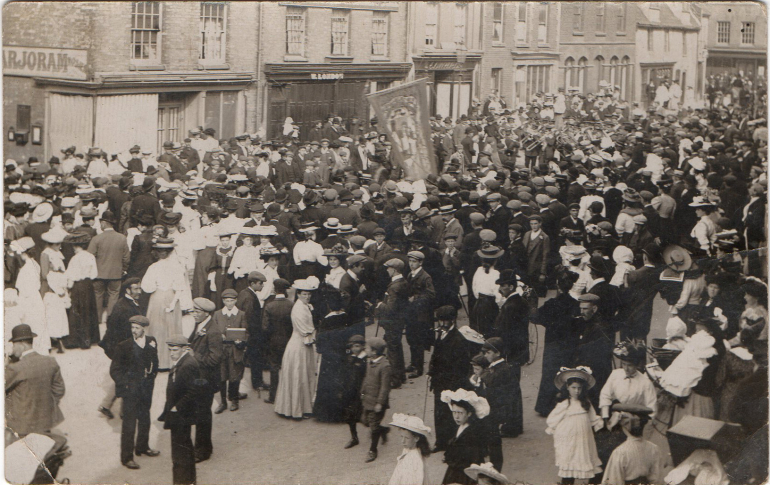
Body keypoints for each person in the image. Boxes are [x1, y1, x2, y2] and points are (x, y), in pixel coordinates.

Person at [109, 315, 160, 469]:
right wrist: (127, 385)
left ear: (144, 328)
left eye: (137, 328)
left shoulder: (151, 341)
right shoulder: (123, 346)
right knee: (129, 424)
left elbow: (154, 362)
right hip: (131, 391)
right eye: (132, 327)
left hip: (146, 389)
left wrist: (151, 377)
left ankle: (142, 447)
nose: (134, 331)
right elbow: (115, 370)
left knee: (145, 418)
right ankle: (127, 458)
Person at [5, 324, 65, 438]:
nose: (12, 349)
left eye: (13, 346)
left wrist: (6, 364)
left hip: (22, 425)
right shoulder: (50, 361)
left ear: (22, 346)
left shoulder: (15, 368)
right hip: (46, 420)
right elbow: (59, 390)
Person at [533, 272, 580, 416]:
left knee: (549, 374)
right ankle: (566, 403)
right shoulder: (575, 304)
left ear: (558, 286)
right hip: (569, 343)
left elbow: (535, 317)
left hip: (552, 344)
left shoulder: (551, 304)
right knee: (566, 372)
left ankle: (546, 406)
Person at [141, 237, 192, 369]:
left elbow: (147, 287)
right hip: (171, 297)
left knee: (157, 328)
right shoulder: (177, 267)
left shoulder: (153, 267)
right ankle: (170, 362)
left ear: (158, 252)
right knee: (171, 328)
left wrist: (158, 287)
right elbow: (180, 288)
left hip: (157, 298)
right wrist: (173, 303)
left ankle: (156, 361)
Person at [546, 367, 603, 484]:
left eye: (579, 388)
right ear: (567, 387)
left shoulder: (586, 403)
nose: (577, 391)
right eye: (573, 388)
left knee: (588, 463)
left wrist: (602, 424)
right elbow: (552, 421)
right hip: (570, 441)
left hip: (584, 441)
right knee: (570, 465)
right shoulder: (564, 404)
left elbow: (593, 419)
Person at [429, 305, 475, 452]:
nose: (442, 324)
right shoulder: (441, 334)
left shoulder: (458, 339)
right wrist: (431, 370)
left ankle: (451, 446)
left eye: (445, 321)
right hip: (439, 382)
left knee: (451, 415)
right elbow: (436, 355)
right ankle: (440, 441)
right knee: (439, 413)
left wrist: (450, 384)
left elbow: (460, 367)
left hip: (451, 383)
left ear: (453, 320)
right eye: (440, 321)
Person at [274, 277, 319, 419]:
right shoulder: (298, 308)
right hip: (299, 344)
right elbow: (306, 330)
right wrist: (315, 335)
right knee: (299, 375)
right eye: (304, 294)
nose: (307, 296)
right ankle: (296, 409)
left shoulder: (305, 306)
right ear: (298, 294)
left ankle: (303, 407)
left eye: (309, 294)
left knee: (303, 375)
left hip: (302, 344)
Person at [158, 335, 199, 485]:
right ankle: (189, 481)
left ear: (184, 349)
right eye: (170, 350)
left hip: (181, 415)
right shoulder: (183, 361)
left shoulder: (187, 364)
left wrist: (177, 407)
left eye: (175, 350)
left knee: (180, 452)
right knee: (184, 449)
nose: (171, 353)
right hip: (179, 414)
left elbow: (193, 390)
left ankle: (183, 481)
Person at [188, 297, 222, 463]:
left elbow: (215, 359)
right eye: (193, 310)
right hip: (198, 379)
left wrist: (196, 355)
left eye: (197, 311)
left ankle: (203, 451)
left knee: (202, 415)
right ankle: (203, 447)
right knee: (199, 413)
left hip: (206, 380)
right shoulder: (200, 324)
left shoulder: (213, 331)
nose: (193, 314)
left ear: (207, 313)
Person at [313, 288, 352, 422]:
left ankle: (326, 415)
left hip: (329, 358)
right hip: (341, 356)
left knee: (328, 384)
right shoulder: (345, 317)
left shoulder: (326, 320)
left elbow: (320, 343)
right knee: (341, 382)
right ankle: (341, 413)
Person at [601, 405, 662, 485]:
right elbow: (656, 479)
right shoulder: (654, 448)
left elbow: (613, 481)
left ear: (624, 427)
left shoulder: (620, 452)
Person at [88, 211, 130, 324]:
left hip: (98, 274)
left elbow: (89, 257)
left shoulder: (96, 239)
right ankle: (111, 320)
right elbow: (126, 257)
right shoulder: (122, 238)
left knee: (97, 296)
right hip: (116, 274)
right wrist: (123, 269)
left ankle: (97, 321)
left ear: (104, 223)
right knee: (113, 297)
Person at [440, 389, 490, 485]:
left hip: (465, 473)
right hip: (455, 469)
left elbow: (472, 457)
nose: (456, 417)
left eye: (460, 413)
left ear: (469, 413)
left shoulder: (472, 433)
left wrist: (450, 458)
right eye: (454, 412)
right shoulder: (460, 427)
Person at [63, 231, 100, 349]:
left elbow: (70, 276)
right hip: (88, 285)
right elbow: (94, 274)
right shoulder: (90, 256)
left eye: (75, 246)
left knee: (77, 312)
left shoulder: (75, 258)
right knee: (88, 310)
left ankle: (76, 340)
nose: (74, 248)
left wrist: (68, 287)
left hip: (78, 286)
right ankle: (90, 338)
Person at [376, 258, 409, 388]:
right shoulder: (402, 282)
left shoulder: (395, 286)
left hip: (393, 322)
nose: (387, 270)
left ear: (395, 270)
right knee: (397, 348)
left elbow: (390, 308)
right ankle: (401, 375)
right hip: (398, 321)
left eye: (389, 268)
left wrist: (380, 305)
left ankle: (395, 379)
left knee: (393, 350)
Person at [214, 289, 248, 413]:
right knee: (222, 377)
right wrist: (219, 337)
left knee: (235, 376)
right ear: (223, 301)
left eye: (232, 301)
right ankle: (223, 402)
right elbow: (213, 332)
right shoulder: (217, 314)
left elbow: (246, 332)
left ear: (236, 300)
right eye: (227, 301)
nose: (229, 303)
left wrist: (241, 340)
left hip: (235, 349)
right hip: (222, 350)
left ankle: (234, 400)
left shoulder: (241, 314)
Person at [262, 278, 294, 404]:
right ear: (285, 290)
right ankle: (288, 396)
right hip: (288, 340)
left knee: (274, 368)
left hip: (274, 341)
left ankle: (273, 396)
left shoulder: (269, 306)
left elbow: (265, 327)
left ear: (275, 290)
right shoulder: (291, 304)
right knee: (287, 367)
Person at [236, 271, 268, 391]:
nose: (262, 286)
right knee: (256, 359)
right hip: (253, 335)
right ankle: (257, 383)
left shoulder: (244, 293)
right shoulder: (250, 297)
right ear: (253, 283)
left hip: (248, 333)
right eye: (260, 283)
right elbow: (248, 317)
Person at [405, 250, 436, 378]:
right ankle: (413, 363)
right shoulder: (410, 275)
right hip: (411, 313)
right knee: (411, 338)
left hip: (421, 315)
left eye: (414, 262)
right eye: (410, 261)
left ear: (420, 262)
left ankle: (418, 368)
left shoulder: (425, 277)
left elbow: (431, 294)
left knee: (418, 340)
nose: (411, 264)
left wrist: (416, 298)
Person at [361, 336, 392, 463]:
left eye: (367, 348)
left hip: (377, 403)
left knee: (373, 427)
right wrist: (362, 391)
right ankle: (383, 430)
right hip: (367, 400)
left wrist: (380, 403)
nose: (365, 349)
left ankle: (373, 450)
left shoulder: (385, 366)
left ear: (374, 351)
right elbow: (367, 378)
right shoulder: (370, 361)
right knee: (365, 421)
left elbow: (385, 388)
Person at [387, 413, 432, 485]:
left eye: (407, 438)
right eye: (401, 437)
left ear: (416, 438)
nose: (402, 441)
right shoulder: (408, 448)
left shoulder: (414, 459)